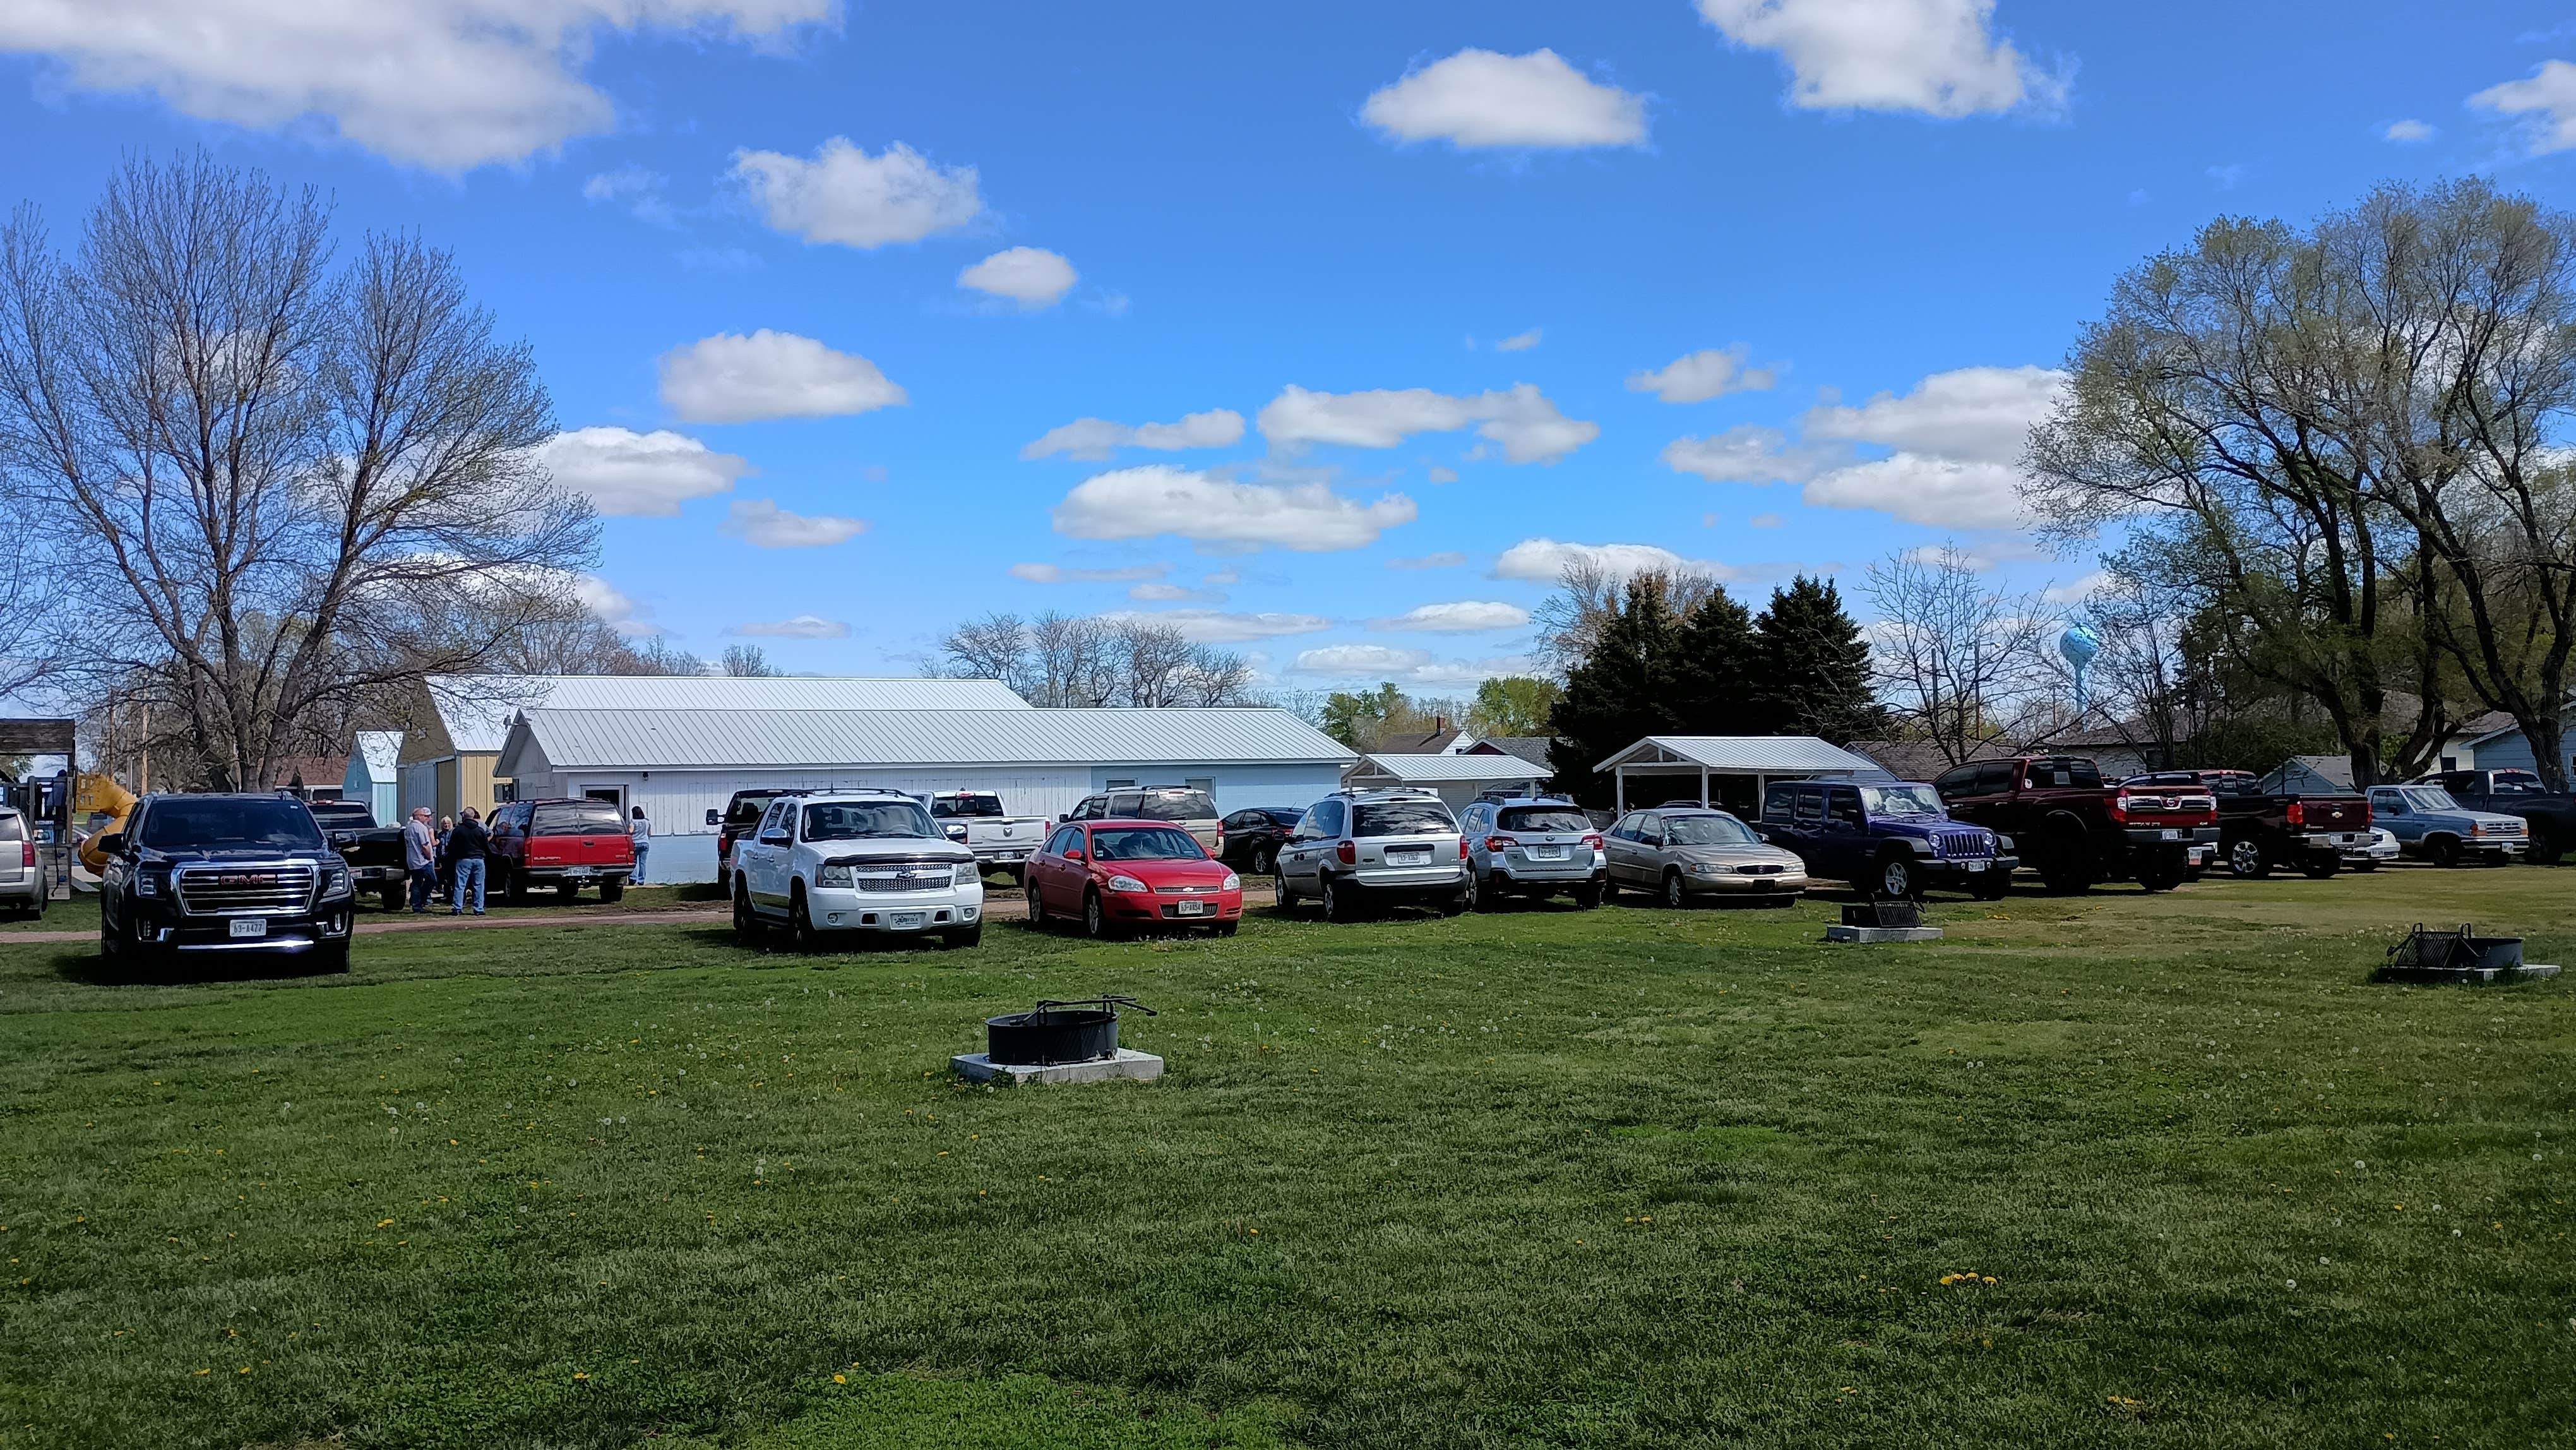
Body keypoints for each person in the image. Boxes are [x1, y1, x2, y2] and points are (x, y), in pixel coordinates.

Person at [446, 806, 490, 915]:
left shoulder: (458, 830)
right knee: (479, 885)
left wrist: (452, 857)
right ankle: (479, 909)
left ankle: (457, 907)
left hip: (463, 860)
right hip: (479, 859)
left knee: (460, 885)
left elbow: (451, 847)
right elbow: (486, 846)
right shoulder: (480, 830)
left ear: (464, 816)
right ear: (474, 816)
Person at [402, 806, 437, 913]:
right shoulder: (421, 828)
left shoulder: (408, 828)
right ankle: (421, 900)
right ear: (418, 817)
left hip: (412, 860)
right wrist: (429, 857)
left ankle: (416, 904)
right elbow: (425, 845)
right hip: (422, 860)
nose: (426, 818)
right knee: (432, 880)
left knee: (417, 882)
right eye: (424, 816)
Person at [629, 805, 650, 885]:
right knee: (643, 863)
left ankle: (633, 878)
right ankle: (641, 880)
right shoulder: (647, 822)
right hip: (645, 843)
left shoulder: (633, 822)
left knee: (634, 862)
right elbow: (649, 833)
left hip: (635, 843)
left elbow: (631, 831)